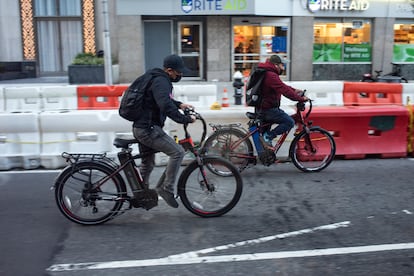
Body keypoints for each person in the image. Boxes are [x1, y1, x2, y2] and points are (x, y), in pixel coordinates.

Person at [132, 54, 196, 208]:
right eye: (178, 72)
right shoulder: (162, 81)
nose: (180, 74)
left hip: (141, 127)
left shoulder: (157, 78)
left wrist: (179, 104)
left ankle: (141, 194)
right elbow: (165, 105)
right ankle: (166, 189)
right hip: (148, 129)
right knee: (178, 152)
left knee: (148, 163)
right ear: (169, 70)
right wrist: (184, 119)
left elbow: (164, 99)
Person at [257, 55, 309, 148]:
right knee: (289, 122)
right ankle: (268, 137)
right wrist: (300, 99)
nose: (283, 67)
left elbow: (282, 86)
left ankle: (266, 154)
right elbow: (284, 90)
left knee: (266, 134)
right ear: (276, 65)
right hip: (268, 109)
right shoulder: (271, 75)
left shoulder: (270, 73)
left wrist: (294, 90)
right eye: (282, 65)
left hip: (264, 107)